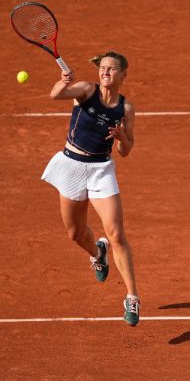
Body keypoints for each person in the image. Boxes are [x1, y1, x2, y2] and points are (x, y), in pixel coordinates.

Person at [41, 50, 140, 326]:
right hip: (71, 166)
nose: (105, 72)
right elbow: (55, 95)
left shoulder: (126, 109)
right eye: (102, 68)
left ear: (123, 75)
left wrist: (122, 138)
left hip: (100, 171)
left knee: (117, 233)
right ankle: (98, 254)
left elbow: (126, 150)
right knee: (75, 233)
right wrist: (63, 81)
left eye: (111, 69)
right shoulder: (85, 90)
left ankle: (132, 297)